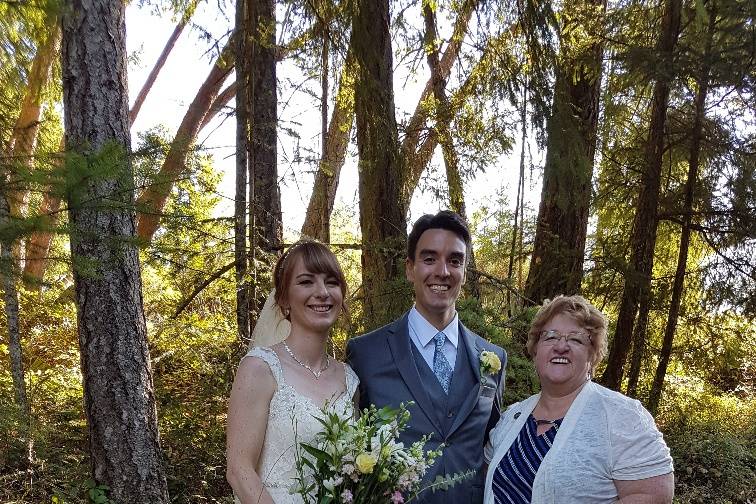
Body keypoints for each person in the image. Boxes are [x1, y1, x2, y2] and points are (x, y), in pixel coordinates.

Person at [347, 210, 507, 504]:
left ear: (465, 272)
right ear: (410, 268)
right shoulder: (365, 354)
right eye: (429, 258)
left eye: (455, 260)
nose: (442, 271)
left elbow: (491, 446)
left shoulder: (494, 359)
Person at [484, 295, 674, 504]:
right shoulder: (511, 417)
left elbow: (654, 495)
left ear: (593, 355)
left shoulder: (622, 416)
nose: (561, 346)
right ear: (535, 350)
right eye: (550, 337)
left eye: (575, 339)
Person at [226, 241, 359, 504]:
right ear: (284, 298)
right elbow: (239, 470)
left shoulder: (350, 379)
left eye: (331, 282)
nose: (322, 292)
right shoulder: (260, 368)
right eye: (306, 282)